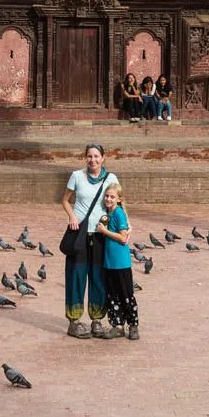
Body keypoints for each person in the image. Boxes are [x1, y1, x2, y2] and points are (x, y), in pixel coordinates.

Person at [62, 143, 120, 339]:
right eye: (89, 156)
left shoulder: (111, 178)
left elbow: (118, 202)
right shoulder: (77, 176)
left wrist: (124, 226)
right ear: (85, 158)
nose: (92, 160)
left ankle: (96, 319)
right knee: (76, 276)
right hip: (79, 233)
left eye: (96, 156)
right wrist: (72, 217)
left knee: (98, 278)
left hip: (101, 234)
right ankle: (74, 321)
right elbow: (65, 200)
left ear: (103, 158)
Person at [95, 182, 139, 340]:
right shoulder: (108, 212)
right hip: (109, 262)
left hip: (121, 262)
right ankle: (117, 325)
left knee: (126, 294)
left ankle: (133, 325)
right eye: (107, 196)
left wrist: (104, 231)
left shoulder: (119, 213)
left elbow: (122, 238)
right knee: (112, 295)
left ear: (119, 199)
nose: (108, 199)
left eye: (112, 197)